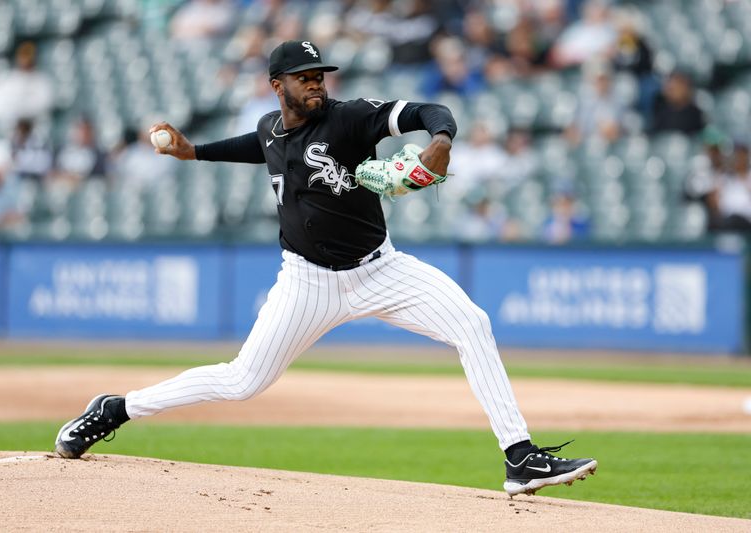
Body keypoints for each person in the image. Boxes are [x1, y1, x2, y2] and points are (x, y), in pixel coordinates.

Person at [54, 40, 597, 497]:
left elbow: (426, 111)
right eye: (304, 78)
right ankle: (117, 408)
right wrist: (193, 152)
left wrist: (440, 141)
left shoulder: (351, 117)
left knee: (472, 324)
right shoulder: (270, 129)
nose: (316, 85)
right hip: (306, 283)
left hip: (382, 271)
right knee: (242, 381)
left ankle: (519, 457)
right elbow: (254, 146)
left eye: (319, 76)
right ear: (277, 85)